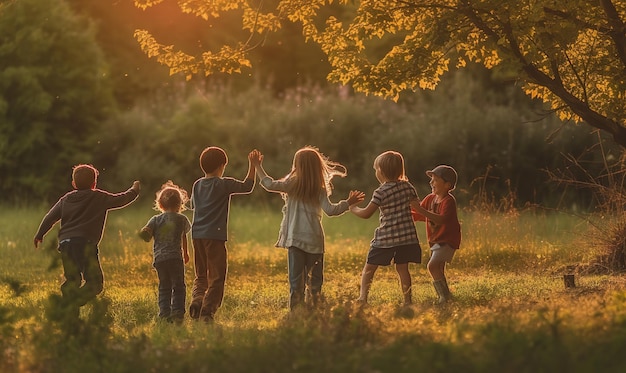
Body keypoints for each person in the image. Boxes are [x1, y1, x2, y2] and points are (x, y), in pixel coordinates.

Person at [250, 147, 364, 310]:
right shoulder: (320, 189)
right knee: (315, 283)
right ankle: (314, 313)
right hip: (315, 242)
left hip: (295, 241)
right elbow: (331, 211)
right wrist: (348, 203)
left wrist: (257, 166)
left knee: (296, 283)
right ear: (318, 167)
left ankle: (296, 315)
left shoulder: (292, 184)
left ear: (297, 166)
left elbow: (268, 184)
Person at [33, 164, 140, 320]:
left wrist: (40, 234)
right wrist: (134, 190)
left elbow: (50, 217)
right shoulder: (98, 196)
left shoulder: (66, 199)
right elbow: (122, 199)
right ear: (94, 183)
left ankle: (70, 319)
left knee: (72, 280)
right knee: (95, 283)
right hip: (85, 244)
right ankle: (71, 302)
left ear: (74, 184)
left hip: (65, 244)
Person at [189, 146, 256, 323]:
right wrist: (253, 165)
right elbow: (247, 186)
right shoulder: (223, 183)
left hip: (196, 235)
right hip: (215, 236)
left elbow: (192, 205)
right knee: (217, 276)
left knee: (201, 274)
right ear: (221, 166)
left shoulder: (197, 185)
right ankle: (207, 311)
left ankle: (197, 300)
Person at [349, 151, 421, 307]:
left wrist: (353, 208)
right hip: (407, 236)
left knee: (369, 268)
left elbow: (367, 213)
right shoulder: (408, 187)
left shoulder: (381, 192)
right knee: (403, 269)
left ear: (380, 171)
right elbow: (417, 206)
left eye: (376, 169)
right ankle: (408, 301)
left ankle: (363, 298)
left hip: (386, 237)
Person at [140, 181, 191, 323]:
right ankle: (178, 312)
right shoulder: (182, 219)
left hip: (160, 258)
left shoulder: (155, 219)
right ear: (180, 204)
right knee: (178, 285)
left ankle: (164, 313)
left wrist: (146, 232)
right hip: (176, 257)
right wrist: (186, 253)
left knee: (164, 286)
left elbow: (147, 232)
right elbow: (184, 237)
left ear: (160, 204)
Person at [410, 165, 461, 304]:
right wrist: (408, 214)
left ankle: (443, 297)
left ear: (447, 185)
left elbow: (441, 219)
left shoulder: (448, 201)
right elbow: (422, 215)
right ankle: (447, 295)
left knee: (432, 266)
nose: (431, 182)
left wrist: (419, 209)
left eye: (435, 180)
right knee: (439, 268)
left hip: (447, 239)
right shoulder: (430, 198)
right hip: (436, 240)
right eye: (431, 179)